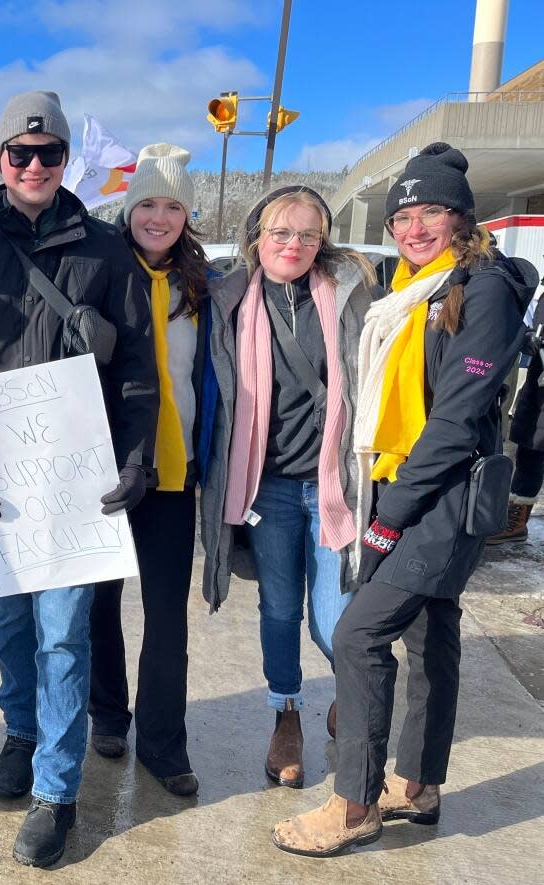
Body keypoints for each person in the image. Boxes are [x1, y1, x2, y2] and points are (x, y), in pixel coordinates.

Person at [273, 143, 536, 857]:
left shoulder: (482, 289)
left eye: (432, 213)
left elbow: (454, 421)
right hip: (407, 481)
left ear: (462, 216)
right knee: (431, 631)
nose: (415, 227)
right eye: (404, 215)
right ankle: (418, 782)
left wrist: (388, 519)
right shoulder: (415, 285)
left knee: (359, 634)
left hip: (443, 496)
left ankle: (353, 801)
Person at [0, 91, 155, 868]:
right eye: (19, 154)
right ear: (1, 160)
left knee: (63, 631)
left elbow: (137, 369)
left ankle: (57, 790)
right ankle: (20, 726)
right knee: (11, 621)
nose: (32, 166)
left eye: (48, 153)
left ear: (64, 161)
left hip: (76, 480)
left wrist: (135, 456)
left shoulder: (107, 248)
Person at [201, 185, 378, 789]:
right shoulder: (229, 300)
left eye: (308, 234)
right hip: (267, 489)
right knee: (278, 610)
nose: (294, 245)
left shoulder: (351, 295)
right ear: (257, 238)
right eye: (281, 232)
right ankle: (286, 714)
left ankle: (349, 697)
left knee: (336, 622)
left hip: (333, 483)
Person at [87, 144, 216, 797]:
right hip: (108, 468)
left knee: (167, 615)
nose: (159, 216)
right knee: (99, 602)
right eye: (148, 203)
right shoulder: (101, 271)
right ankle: (107, 713)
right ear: (129, 208)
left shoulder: (201, 288)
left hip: (174, 471)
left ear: (187, 216)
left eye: (173, 205)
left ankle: (164, 742)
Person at [487, 289, 544, 543]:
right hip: (539, 385)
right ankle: (516, 518)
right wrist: (527, 337)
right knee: (531, 447)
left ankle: (516, 518)